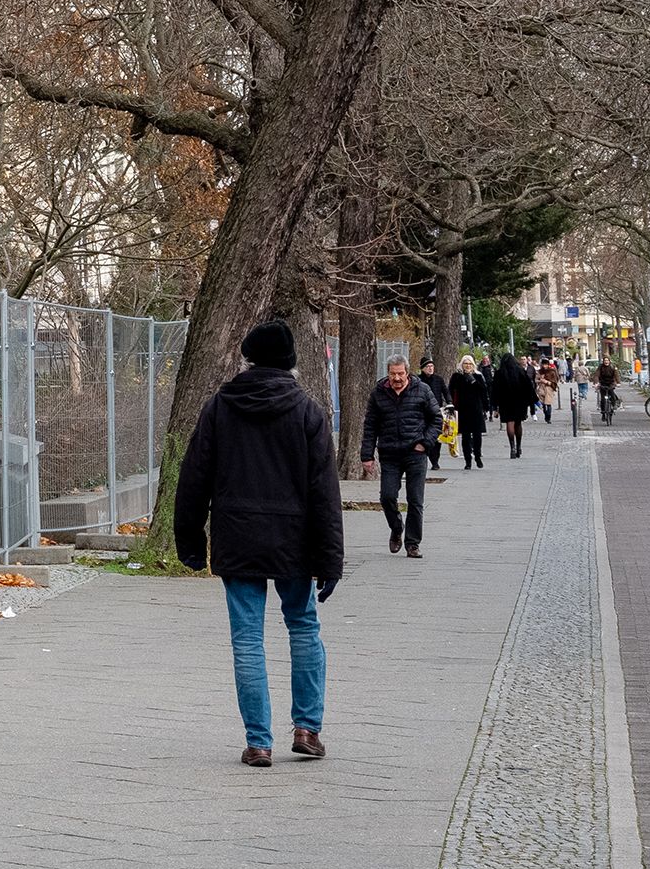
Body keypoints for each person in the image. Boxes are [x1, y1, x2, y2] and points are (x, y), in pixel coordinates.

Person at [173, 318, 347, 767]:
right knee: (304, 626)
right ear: (290, 363)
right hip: (295, 539)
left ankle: (259, 741)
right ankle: (307, 729)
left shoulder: (219, 408)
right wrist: (330, 560)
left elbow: (193, 478)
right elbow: (325, 493)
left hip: (238, 536)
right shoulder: (309, 413)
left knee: (247, 639)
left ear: (248, 358)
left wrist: (190, 540)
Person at [361, 353, 444, 558]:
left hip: (415, 453)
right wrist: (367, 455)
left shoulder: (422, 390)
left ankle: (413, 543)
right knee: (387, 496)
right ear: (387, 374)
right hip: (389, 454)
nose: (396, 379)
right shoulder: (378, 393)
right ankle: (397, 528)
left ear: (407, 373)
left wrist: (425, 443)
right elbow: (370, 425)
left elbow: (436, 420)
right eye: (392, 374)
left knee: (415, 500)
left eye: (400, 374)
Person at [490, 347, 539, 459]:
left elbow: (495, 390)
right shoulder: (520, 371)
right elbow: (528, 387)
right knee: (518, 423)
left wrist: (495, 406)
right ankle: (519, 446)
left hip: (505, 402)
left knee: (509, 423)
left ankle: (512, 447)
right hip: (519, 402)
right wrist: (531, 402)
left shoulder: (499, 373)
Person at [447, 356, 494, 469]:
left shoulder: (477, 376)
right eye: (465, 364)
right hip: (462, 409)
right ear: (461, 365)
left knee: (477, 435)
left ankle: (478, 456)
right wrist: (450, 404)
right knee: (466, 436)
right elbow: (450, 390)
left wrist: (486, 407)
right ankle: (468, 460)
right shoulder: (457, 376)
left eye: (470, 364)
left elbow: (483, 391)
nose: (468, 366)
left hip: (476, 409)